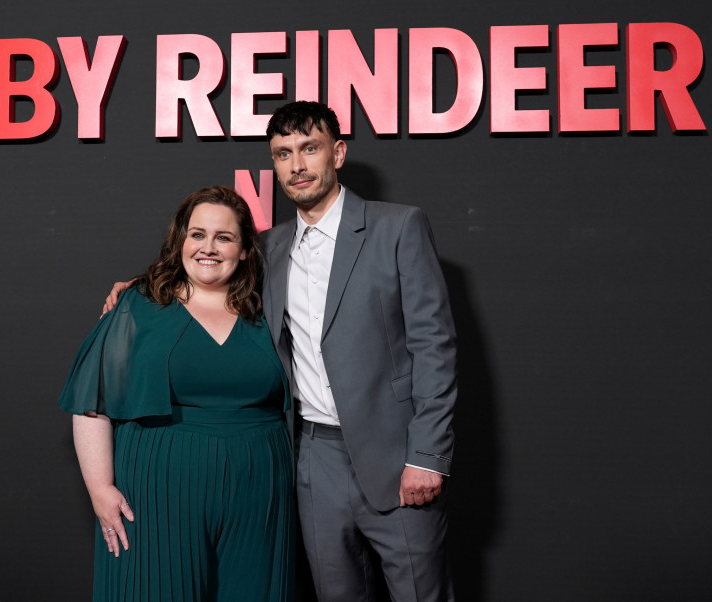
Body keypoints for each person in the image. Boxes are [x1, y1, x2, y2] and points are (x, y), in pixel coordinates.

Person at [106, 101, 457, 602]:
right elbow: (207, 271)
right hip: (311, 458)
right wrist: (140, 287)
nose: (297, 165)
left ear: (338, 153)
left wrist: (427, 456)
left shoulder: (398, 227)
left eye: (309, 149)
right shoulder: (269, 248)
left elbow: (434, 346)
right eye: (283, 154)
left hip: (396, 455)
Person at [60, 186, 295, 602]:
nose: (208, 247)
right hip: (157, 487)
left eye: (224, 237)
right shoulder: (137, 306)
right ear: (180, 240)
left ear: (244, 250)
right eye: (197, 234)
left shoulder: (269, 309)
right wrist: (100, 488)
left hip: (260, 488)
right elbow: (92, 402)